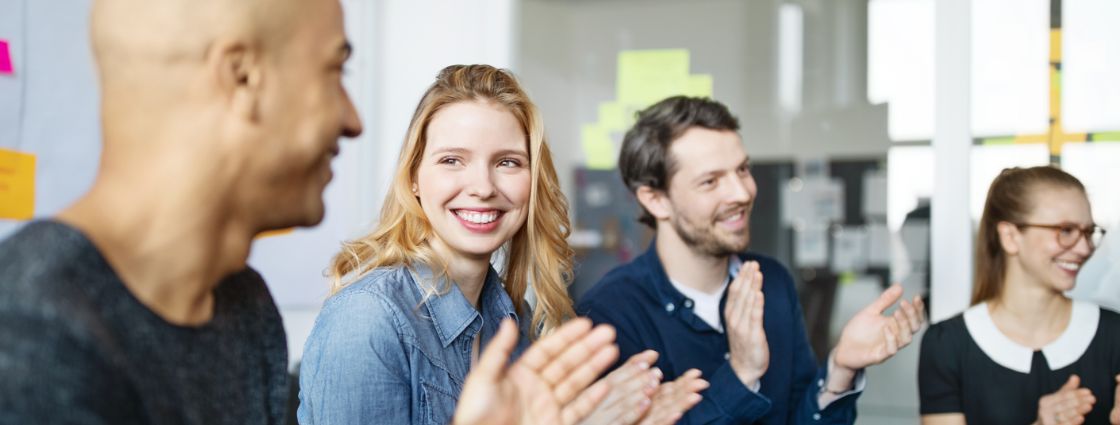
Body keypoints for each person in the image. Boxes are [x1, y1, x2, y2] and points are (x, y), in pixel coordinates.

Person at [0, 2, 617, 423]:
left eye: (507, 163)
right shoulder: (34, 332)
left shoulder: (243, 307)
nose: (353, 119)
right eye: (333, 71)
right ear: (241, 77)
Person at [297, 65, 706, 425]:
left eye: (507, 162)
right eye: (452, 160)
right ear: (414, 177)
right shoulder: (368, 320)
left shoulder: (509, 318)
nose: (482, 187)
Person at [577, 96, 926, 424]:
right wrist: (741, 375)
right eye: (710, 181)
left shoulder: (773, 281)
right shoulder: (610, 313)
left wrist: (840, 370)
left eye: (742, 170)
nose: (742, 193)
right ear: (655, 200)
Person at [919, 166, 1120, 425]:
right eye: (1066, 230)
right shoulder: (947, 344)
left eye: (1089, 232)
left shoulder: (1114, 333)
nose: (1084, 248)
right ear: (1010, 236)